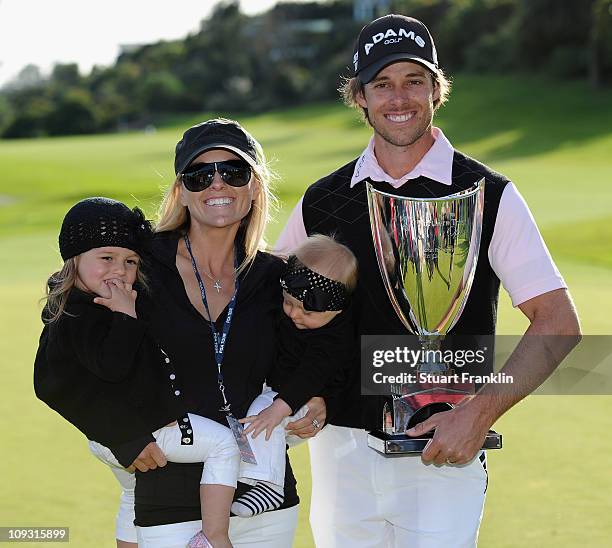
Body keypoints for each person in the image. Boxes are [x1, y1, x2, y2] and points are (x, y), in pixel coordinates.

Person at [276, 13, 581, 547]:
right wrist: (307, 389)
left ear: (436, 90)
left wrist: (479, 413)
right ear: (360, 97)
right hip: (341, 452)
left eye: (414, 81)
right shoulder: (322, 200)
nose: (399, 98)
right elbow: (273, 311)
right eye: (382, 84)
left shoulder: (489, 193)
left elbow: (558, 322)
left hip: (444, 452)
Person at [109, 118, 326, 547]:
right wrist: (120, 436)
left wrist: (316, 395)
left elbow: (310, 354)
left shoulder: (276, 278)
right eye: (200, 174)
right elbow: (69, 358)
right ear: (182, 191)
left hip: (266, 501)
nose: (217, 184)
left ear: (255, 186)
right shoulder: (141, 265)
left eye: (233, 171)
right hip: (170, 499)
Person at [33, 197, 241, 548]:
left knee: (133, 495)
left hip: (116, 434)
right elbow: (111, 368)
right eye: (106, 258)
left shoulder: (80, 304)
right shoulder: (82, 313)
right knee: (223, 445)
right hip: (142, 430)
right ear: (74, 260)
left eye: (130, 261)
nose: (119, 270)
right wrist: (126, 316)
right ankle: (215, 536)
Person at [232, 234, 357, 517]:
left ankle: (270, 485)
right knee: (252, 415)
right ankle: (251, 472)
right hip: (279, 388)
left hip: (306, 398)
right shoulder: (290, 311)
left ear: (337, 308)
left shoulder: (336, 337)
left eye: (308, 311)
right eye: (289, 303)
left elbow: (311, 374)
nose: (295, 315)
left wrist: (280, 407)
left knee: (262, 414)